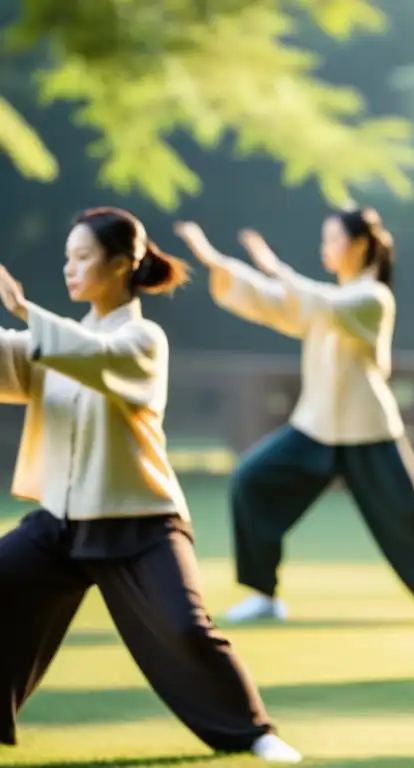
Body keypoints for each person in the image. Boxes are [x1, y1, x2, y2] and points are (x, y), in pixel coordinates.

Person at [0, 208, 300, 762]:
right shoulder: (61, 339)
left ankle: (253, 731)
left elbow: (93, 359)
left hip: (140, 523)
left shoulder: (142, 339)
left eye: (83, 258)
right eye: (67, 258)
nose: (70, 269)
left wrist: (24, 311)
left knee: (185, 631)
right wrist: (21, 324)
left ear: (122, 265)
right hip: (61, 526)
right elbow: (13, 356)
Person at [174, 209, 414, 629]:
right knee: (250, 482)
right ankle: (263, 594)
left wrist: (273, 266)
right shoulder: (330, 299)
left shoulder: (372, 300)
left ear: (360, 245)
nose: (325, 248)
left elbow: (320, 303)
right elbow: (279, 304)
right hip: (315, 427)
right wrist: (217, 262)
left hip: (369, 431)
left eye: (333, 240)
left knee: (408, 516)